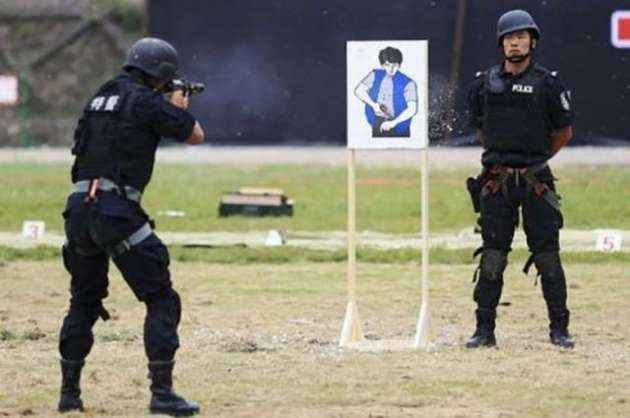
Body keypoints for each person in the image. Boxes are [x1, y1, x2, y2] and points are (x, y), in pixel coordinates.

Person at [57, 37, 204, 415]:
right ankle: (162, 393)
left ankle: (69, 395)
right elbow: (194, 135)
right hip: (116, 212)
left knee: (83, 302)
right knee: (161, 299)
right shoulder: (147, 101)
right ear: (162, 75)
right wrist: (175, 104)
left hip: (79, 210)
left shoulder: (99, 98)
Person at [466, 10, 575, 349]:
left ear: (532, 42)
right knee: (493, 256)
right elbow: (481, 130)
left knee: (547, 256)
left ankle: (560, 329)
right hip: (496, 182)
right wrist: (504, 160)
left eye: (521, 37)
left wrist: (533, 161)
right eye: (509, 38)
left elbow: (564, 132)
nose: (515, 42)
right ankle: (484, 330)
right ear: (501, 43)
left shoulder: (548, 84)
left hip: (536, 181)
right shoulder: (483, 84)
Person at [354, 46, 418, 137]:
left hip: (399, 125)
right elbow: (358, 90)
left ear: (399, 65)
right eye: (387, 65)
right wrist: (373, 105)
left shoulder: (408, 83)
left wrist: (393, 123)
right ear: (383, 65)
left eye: (394, 65)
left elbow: (412, 109)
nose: (391, 69)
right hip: (377, 122)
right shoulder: (375, 74)